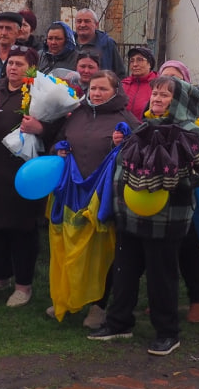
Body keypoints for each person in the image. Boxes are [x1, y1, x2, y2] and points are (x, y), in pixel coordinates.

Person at [89, 77, 199, 356]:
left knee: (162, 278)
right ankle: (119, 322)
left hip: (166, 221)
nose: (156, 98)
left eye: (164, 95)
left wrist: (176, 180)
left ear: (179, 101)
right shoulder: (143, 126)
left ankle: (167, 333)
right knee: (124, 273)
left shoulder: (191, 132)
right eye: (155, 93)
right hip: (130, 217)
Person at [49, 69, 140, 327]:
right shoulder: (77, 113)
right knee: (72, 246)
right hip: (73, 193)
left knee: (102, 252)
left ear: (116, 92)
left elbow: (139, 153)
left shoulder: (125, 118)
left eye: (103, 89)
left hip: (104, 195)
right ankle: (70, 296)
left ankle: (98, 305)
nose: (97, 94)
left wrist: (119, 144)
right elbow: (57, 142)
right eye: (93, 89)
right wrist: (60, 150)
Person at [0, 45, 54, 307]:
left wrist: (41, 128)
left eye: (20, 64)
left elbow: (59, 128)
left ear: (32, 68)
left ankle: (23, 285)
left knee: (20, 230)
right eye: (11, 63)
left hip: (18, 175)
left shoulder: (40, 94)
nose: (13, 67)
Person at [156, 61, 199, 320]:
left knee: (188, 248)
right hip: (154, 201)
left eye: (173, 81)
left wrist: (182, 180)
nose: (164, 90)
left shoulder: (193, 125)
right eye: (162, 81)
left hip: (183, 200)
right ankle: (164, 298)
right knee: (160, 256)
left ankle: (197, 298)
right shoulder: (151, 120)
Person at [72, 8, 124, 76]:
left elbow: (120, 74)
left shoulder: (107, 44)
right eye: (79, 21)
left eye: (87, 21)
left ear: (96, 25)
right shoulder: (69, 44)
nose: (82, 25)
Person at [121, 46, 156, 119]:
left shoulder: (157, 85)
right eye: (132, 61)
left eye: (140, 60)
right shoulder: (123, 84)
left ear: (150, 64)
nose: (135, 64)